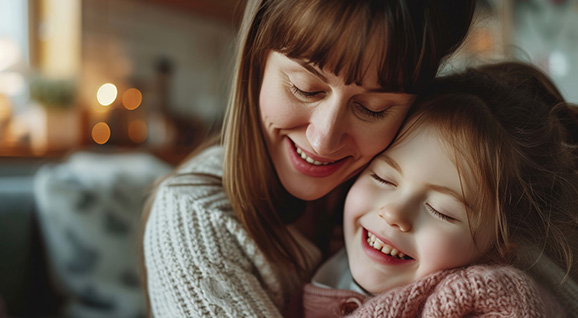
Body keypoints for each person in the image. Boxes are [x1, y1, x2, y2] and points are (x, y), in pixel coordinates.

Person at [142, 0, 476, 316]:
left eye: (372, 109)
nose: (324, 140)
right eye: (305, 88)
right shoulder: (193, 219)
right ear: (256, 62)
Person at [294, 62, 578, 318]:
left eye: (441, 211)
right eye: (383, 179)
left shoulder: (485, 297)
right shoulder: (319, 241)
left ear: (499, 252)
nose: (393, 213)